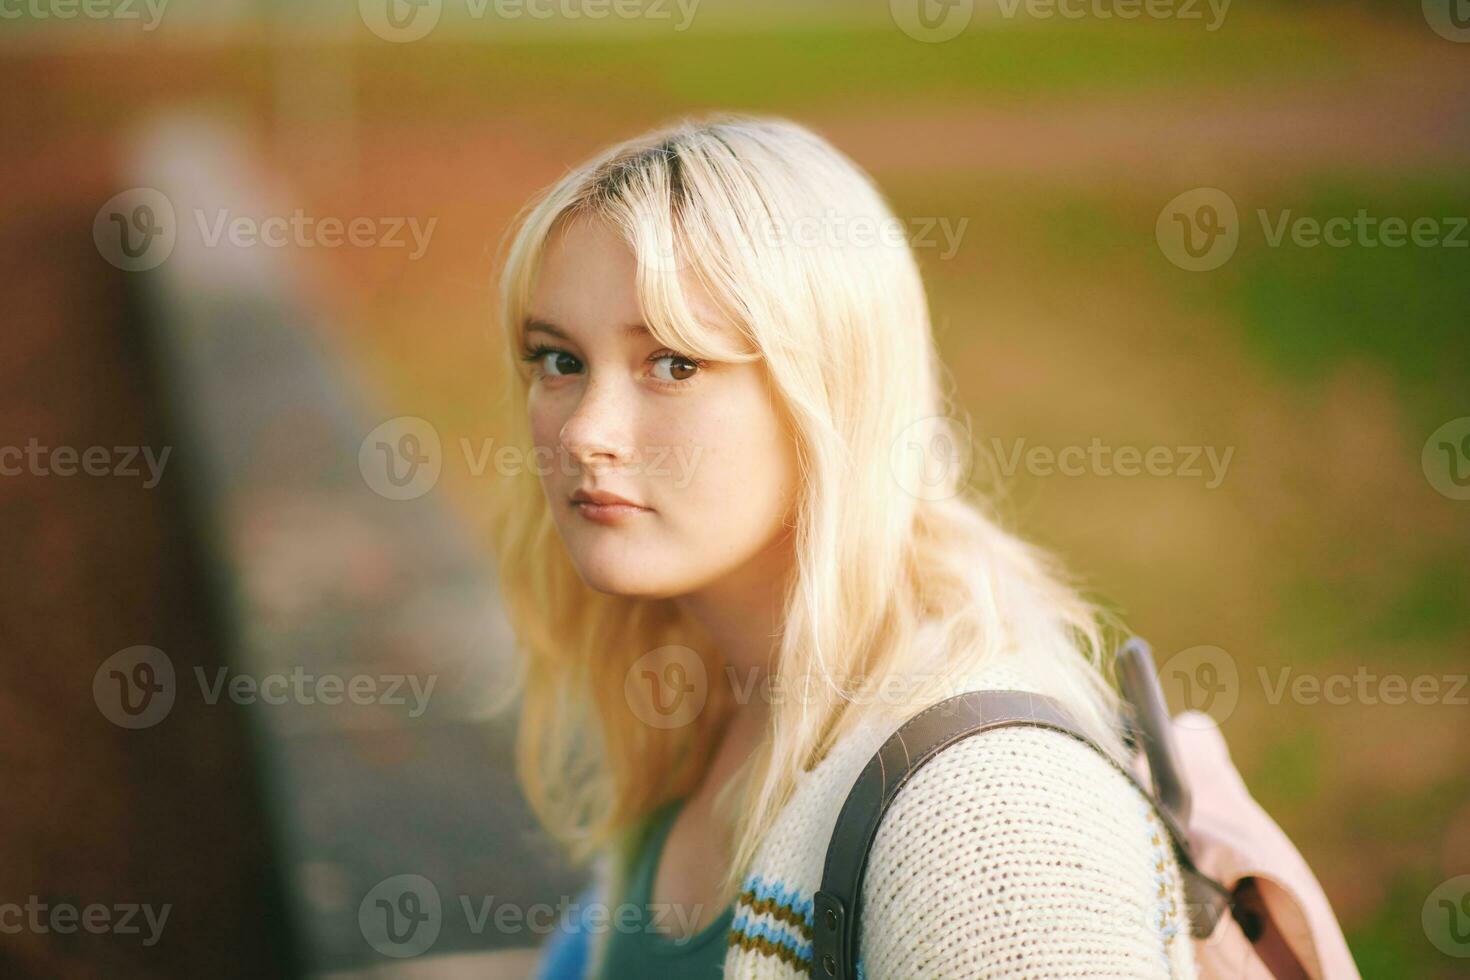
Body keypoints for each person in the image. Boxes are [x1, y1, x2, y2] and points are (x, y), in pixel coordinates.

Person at [487, 112, 1198, 979]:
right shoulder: (703, 693)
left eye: (674, 362)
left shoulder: (990, 812)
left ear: (833, 389)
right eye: (558, 360)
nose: (586, 433)